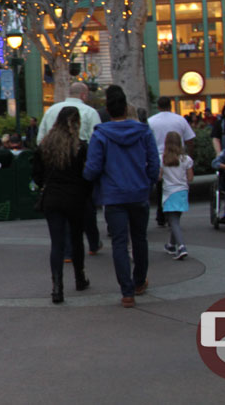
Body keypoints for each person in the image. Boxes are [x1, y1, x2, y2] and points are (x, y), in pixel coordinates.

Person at [83, 85, 160, 308]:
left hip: (113, 195)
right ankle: (139, 281)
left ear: (107, 109)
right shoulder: (144, 131)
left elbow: (92, 168)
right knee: (140, 239)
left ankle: (127, 292)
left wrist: (90, 178)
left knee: (119, 242)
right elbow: (154, 163)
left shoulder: (101, 134)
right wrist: (149, 181)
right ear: (126, 108)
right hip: (138, 192)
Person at [32, 107, 92, 304]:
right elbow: (87, 174)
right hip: (75, 196)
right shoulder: (80, 146)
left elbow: (36, 173)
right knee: (76, 239)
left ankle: (57, 286)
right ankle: (80, 277)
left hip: (52, 197)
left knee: (57, 243)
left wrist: (43, 185)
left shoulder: (46, 145)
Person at [147, 96, 197, 226]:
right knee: (175, 184)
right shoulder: (180, 120)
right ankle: (173, 213)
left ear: (158, 106)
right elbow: (190, 140)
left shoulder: (151, 121)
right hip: (177, 156)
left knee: (160, 187)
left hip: (159, 156)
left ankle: (161, 214)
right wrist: (190, 157)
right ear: (171, 105)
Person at [160, 131, 194, 260]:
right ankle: (171, 244)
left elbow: (158, 176)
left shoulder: (162, 159)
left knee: (173, 221)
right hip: (182, 191)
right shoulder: (186, 159)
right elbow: (190, 178)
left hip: (169, 192)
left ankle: (181, 246)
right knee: (176, 220)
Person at [36, 82, 101, 142]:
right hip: (80, 152)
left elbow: (40, 137)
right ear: (83, 95)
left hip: (53, 151)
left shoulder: (51, 109)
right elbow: (95, 138)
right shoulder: (90, 112)